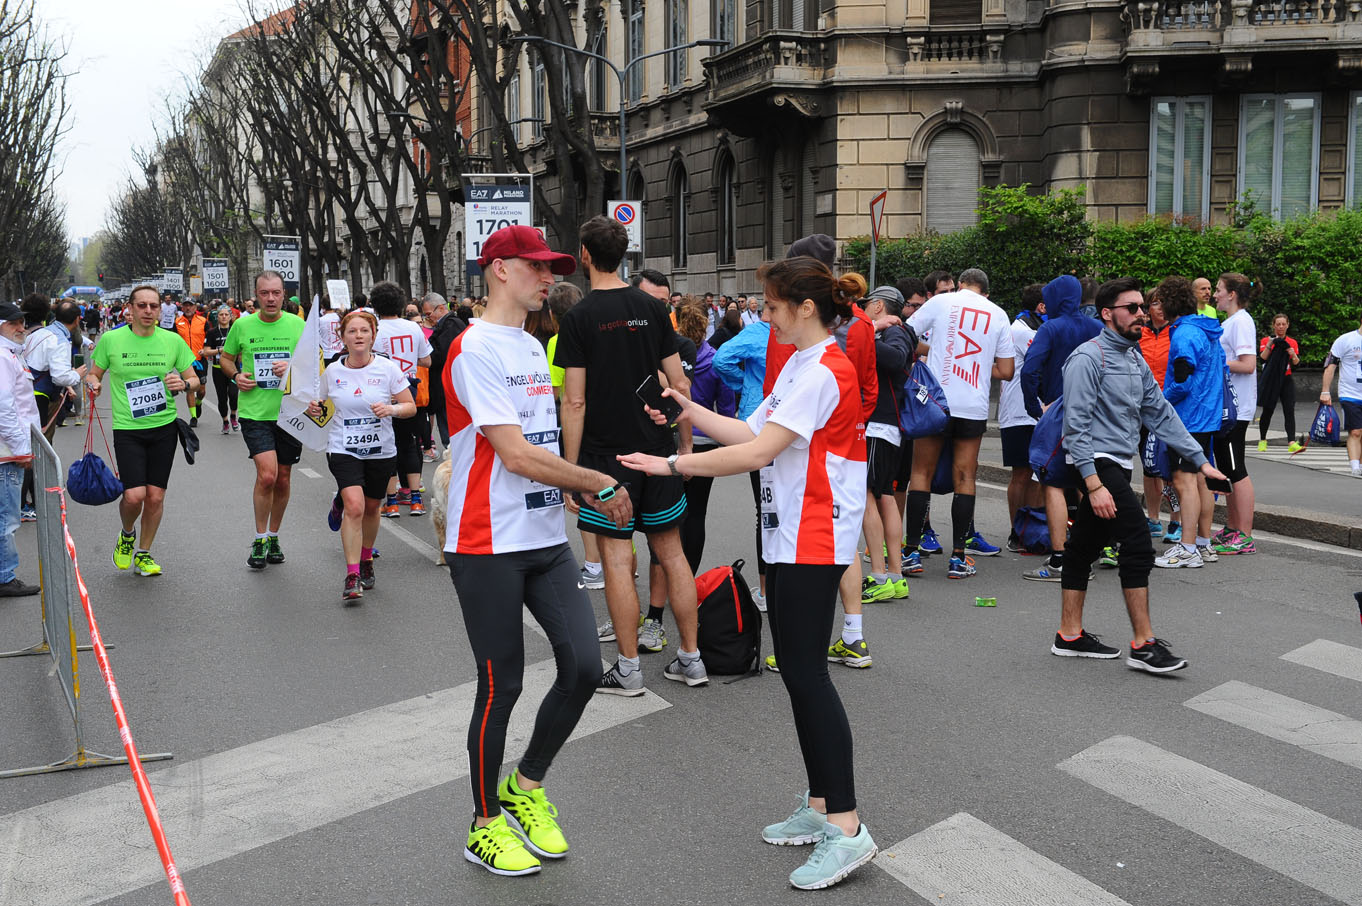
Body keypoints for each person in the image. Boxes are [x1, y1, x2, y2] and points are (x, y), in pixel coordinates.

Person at [619, 256, 877, 891]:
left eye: (771, 305)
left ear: (805, 308)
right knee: (796, 670)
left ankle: (846, 825)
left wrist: (670, 467)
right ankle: (820, 807)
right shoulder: (797, 363)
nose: (764, 314)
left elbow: (758, 453)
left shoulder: (826, 369)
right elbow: (749, 429)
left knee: (809, 675)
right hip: (788, 530)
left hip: (815, 533)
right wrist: (686, 409)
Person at [443, 225, 633, 877]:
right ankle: (483, 824)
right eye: (536, 266)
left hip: (545, 537)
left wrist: (570, 492)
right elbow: (515, 454)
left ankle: (524, 789)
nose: (549, 276)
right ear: (499, 270)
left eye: (552, 267)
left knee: (583, 667)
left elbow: (542, 442)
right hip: (485, 541)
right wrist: (596, 481)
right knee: (503, 685)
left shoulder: (530, 343)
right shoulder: (473, 350)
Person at [556, 216, 704, 695]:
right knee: (673, 555)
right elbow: (679, 385)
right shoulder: (652, 307)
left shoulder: (577, 317)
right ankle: (691, 659)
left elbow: (574, 401)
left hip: (604, 457)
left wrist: (573, 473)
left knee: (618, 562)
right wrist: (683, 450)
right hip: (659, 452)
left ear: (584, 253)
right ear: (625, 254)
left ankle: (628, 670)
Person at [1051, 276, 1225, 672]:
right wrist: (1093, 485)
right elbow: (1074, 429)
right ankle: (1144, 645)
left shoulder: (1133, 358)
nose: (1141, 315)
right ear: (1107, 314)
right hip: (1094, 463)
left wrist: (1201, 461)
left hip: (1115, 462)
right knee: (1137, 543)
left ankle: (1069, 635)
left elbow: (1161, 413)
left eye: (1142, 308)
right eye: (1132, 309)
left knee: (1083, 547)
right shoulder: (1087, 358)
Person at [903, 268, 1015, 579]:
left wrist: (937, 352)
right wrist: (978, 368)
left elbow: (906, 335)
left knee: (921, 473)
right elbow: (1006, 371)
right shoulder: (998, 314)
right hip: (973, 406)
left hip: (936, 401)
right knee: (965, 476)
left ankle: (911, 552)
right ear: (986, 292)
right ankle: (958, 557)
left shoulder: (942, 303)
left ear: (962, 285)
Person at [85, 285, 199, 577]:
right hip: (128, 428)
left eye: (154, 306)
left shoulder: (172, 341)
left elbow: (194, 379)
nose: (148, 311)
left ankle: (145, 554)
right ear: (130, 309)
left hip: (163, 428)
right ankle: (127, 535)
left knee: (156, 496)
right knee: (134, 496)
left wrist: (184, 385)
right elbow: (94, 372)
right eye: (142, 306)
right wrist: (94, 383)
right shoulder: (111, 340)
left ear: (161, 310)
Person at [306, 311, 414, 601]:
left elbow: (410, 406)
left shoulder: (388, 369)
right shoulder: (332, 372)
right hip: (343, 448)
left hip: (381, 450)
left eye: (364, 331)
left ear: (373, 336)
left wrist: (391, 409)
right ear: (342, 338)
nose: (358, 336)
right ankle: (352, 574)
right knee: (355, 507)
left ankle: (366, 559)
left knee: (371, 507)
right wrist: (314, 408)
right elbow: (318, 404)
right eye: (351, 331)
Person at [219, 271, 306, 570]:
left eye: (276, 293)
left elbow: (315, 366)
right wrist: (236, 375)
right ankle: (259, 538)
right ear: (256, 294)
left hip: (290, 413)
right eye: (265, 293)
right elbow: (226, 358)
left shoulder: (298, 325)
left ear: (284, 294)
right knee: (267, 475)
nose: (270, 298)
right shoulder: (242, 325)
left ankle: (273, 535)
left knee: (283, 479)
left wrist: (292, 368)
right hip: (255, 412)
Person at [1020, 275, 1101, 582]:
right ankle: (1094, 548)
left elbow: (1030, 369)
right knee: (1088, 478)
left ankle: (1060, 558)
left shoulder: (1050, 327)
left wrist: (1036, 406)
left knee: (1053, 481)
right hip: (1095, 411)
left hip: (1059, 410)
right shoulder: (1096, 327)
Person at [1154, 275, 1225, 569]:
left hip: (1187, 418)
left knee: (1184, 482)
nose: (1153, 309)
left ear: (1169, 304)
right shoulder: (1207, 328)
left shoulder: (1183, 334)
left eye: (1158, 302)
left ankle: (1186, 548)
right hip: (1207, 415)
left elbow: (1182, 381)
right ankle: (1203, 544)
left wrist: (1158, 398)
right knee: (1199, 481)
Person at [713, 287, 772, 610]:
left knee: (764, 510)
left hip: (756, 421)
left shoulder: (756, 334)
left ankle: (765, 590)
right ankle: (779, 582)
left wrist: (745, 383)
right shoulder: (799, 335)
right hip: (790, 423)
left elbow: (721, 359)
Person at [858, 286, 912, 606]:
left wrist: (868, 334)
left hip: (879, 424)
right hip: (885, 425)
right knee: (885, 496)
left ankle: (879, 575)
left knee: (867, 495)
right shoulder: (892, 330)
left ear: (878, 306)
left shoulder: (895, 331)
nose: (863, 313)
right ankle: (895, 574)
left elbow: (895, 359)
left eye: (866, 307)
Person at [372, 281, 432, 517]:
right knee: (409, 444)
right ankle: (416, 500)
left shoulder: (373, 328)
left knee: (387, 445)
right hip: (410, 389)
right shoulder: (413, 328)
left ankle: (392, 501)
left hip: (383, 391)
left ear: (375, 305)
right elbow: (427, 360)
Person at [1211, 272, 1259, 555]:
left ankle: (1246, 534)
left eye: (1218, 290)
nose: (1215, 294)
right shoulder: (1232, 322)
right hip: (1227, 407)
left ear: (1232, 294)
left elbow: (1248, 364)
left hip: (1237, 408)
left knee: (1236, 469)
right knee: (1227, 468)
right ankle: (1232, 528)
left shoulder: (1241, 322)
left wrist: (1215, 361)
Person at [0, 302, 40, 596]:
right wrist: (21, 448)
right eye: (14, 323)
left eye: (22, 322)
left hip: (8, 449)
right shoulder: (2, 357)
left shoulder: (10, 355)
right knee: (7, 518)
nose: (21, 327)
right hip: (6, 452)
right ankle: (4, 577)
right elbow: (4, 408)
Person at [1000, 285, 1043, 550]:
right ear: (1041, 307)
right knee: (1021, 474)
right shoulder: (1020, 331)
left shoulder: (1035, 329)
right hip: (1018, 413)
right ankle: (1017, 531)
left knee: (1037, 473)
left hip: (1037, 413)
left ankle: (1033, 529)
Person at [1139, 286, 1180, 541]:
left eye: (1165, 303)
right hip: (1143, 406)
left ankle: (1176, 521)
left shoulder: (1177, 333)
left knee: (1172, 468)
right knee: (1148, 465)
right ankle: (1153, 518)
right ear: (1147, 308)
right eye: (1155, 303)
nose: (1161, 308)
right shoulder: (1138, 334)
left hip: (1171, 405)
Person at [23, 300, 84, 442]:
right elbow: (60, 377)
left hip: (25, 392)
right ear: (77, 319)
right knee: (42, 444)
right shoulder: (60, 340)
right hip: (40, 397)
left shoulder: (40, 333)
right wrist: (76, 375)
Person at [1321, 311, 1362, 477]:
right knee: (1356, 431)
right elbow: (1330, 366)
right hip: (1350, 393)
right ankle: (1354, 466)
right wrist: (1325, 391)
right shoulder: (1345, 340)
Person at [1258, 313, 1301, 453]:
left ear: (1288, 325)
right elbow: (1263, 358)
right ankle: (1263, 439)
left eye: (1283, 324)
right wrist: (1270, 345)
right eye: (1278, 324)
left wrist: (1292, 353)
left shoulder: (1292, 342)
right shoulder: (1266, 340)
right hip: (1271, 379)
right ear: (1274, 326)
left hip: (1286, 379)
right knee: (1268, 410)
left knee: (1289, 410)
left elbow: (1296, 363)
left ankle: (1292, 442)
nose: (1281, 327)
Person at [202, 306, 239, 434]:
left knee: (234, 394)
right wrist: (220, 350)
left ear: (230, 317)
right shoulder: (212, 332)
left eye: (226, 314)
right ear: (217, 317)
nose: (223, 317)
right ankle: (225, 421)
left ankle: (233, 415)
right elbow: (206, 351)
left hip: (233, 368)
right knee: (222, 398)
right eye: (221, 315)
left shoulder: (235, 330)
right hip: (218, 369)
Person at [175, 298, 208, 426]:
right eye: (186, 306)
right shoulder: (177, 322)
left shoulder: (203, 321)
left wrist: (206, 349)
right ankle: (193, 417)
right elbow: (174, 341)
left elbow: (208, 338)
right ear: (182, 308)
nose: (188, 308)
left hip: (200, 360)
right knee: (190, 388)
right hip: (185, 362)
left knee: (202, 390)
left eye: (190, 306)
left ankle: (198, 402)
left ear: (195, 307)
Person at [319, 295, 343, 363]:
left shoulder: (320, 320)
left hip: (326, 354)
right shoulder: (341, 318)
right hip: (340, 353)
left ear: (322, 306)